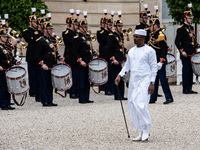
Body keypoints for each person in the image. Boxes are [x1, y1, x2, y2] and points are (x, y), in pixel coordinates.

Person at [115, 29, 157, 141]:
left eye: (137, 37)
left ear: (143, 38)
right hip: (134, 81)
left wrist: (152, 82)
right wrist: (120, 75)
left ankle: (146, 129)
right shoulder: (131, 51)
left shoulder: (150, 50)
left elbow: (154, 67)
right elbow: (127, 66)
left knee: (141, 104)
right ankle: (141, 130)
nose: (134, 38)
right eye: (134, 36)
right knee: (133, 104)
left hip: (145, 80)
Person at [35, 21, 64, 107]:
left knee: (50, 84)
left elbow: (55, 51)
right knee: (45, 83)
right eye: (49, 29)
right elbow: (37, 55)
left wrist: (59, 57)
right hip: (45, 65)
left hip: (52, 65)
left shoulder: (52, 39)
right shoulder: (40, 40)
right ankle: (45, 101)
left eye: (51, 29)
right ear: (45, 30)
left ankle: (50, 100)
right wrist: (42, 64)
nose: (51, 31)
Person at [147, 14, 174, 104]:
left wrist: (161, 62)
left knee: (163, 80)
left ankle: (169, 97)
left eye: (151, 25)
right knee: (154, 80)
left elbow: (163, 49)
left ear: (155, 25)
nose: (150, 27)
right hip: (153, 62)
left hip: (159, 61)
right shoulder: (152, 34)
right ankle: (153, 97)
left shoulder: (160, 34)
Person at [175, 7, 199, 94]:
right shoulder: (181, 28)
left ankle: (189, 88)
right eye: (189, 18)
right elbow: (177, 42)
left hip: (192, 53)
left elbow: (193, 40)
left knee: (190, 71)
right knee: (186, 70)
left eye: (191, 18)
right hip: (185, 53)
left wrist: (197, 45)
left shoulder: (191, 28)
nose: (191, 19)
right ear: (185, 18)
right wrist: (182, 51)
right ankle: (185, 88)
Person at [71, 20, 94, 104]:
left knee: (87, 81)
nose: (85, 29)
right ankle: (82, 98)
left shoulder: (87, 37)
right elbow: (74, 51)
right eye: (84, 27)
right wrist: (80, 61)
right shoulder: (78, 38)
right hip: (82, 63)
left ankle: (86, 97)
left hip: (88, 62)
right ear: (80, 28)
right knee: (81, 81)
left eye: (86, 27)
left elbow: (89, 49)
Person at [0, 28, 21, 110]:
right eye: (4, 37)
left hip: (8, 68)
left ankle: (8, 103)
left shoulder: (7, 46)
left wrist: (16, 62)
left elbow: (10, 57)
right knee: (2, 87)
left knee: (8, 87)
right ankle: (3, 104)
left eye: (6, 37)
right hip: (2, 68)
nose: (5, 38)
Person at [107, 18, 127, 100]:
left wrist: (127, 51)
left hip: (121, 58)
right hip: (115, 59)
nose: (120, 27)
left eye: (121, 26)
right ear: (115, 27)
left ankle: (121, 95)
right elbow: (108, 49)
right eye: (119, 26)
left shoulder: (121, 35)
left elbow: (121, 46)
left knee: (122, 78)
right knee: (117, 78)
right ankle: (117, 95)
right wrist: (112, 59)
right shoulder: (111, 36)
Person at [62, 17, 80, 99]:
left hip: (77, 56)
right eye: (76, 25)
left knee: (77, 75)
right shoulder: (67, 33)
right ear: (72, 25)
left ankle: (76, 91)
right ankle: (72, 91)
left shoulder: (77, 34)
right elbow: (71, 42)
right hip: (70, 56)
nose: (77, 26)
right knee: (72, 75)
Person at [97, 17, 114, 95]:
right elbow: (105, 41)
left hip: (110, 54)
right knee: (106, 73)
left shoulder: (110, 33)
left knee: (111, 73)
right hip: (104, 54)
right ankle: (106, 88)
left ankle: (111, 88)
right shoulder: (102, 32)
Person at [23, 14, 38, 97]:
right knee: (32, 74)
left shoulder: (38, 31)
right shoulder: (27, 31)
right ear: (30, 22)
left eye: (36, 21)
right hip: (32, 55)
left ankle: (37, 90)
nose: (35, 23)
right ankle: (32, 91)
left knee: (37, 74)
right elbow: (31, 39)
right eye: (34, 22)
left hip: (38, 55)